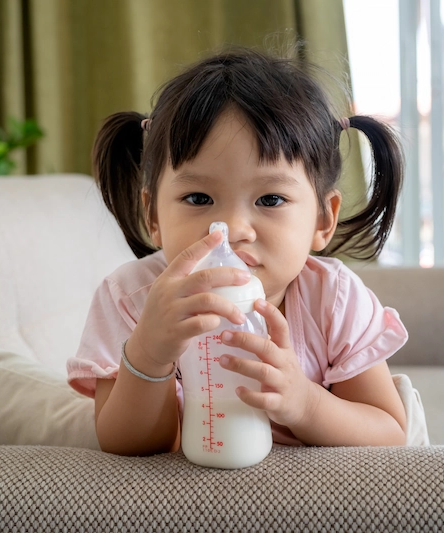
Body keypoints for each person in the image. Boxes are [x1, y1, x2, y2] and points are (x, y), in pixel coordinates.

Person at [68, 46, 425, 456]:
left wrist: (306, 403)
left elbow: (389, 433)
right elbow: (127, 445)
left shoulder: (333, 299)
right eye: (199, 198)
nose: (232, 229)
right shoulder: (130, 299)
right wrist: (149, 353)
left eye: (270, 199)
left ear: (323, 219)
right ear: (153, 216)